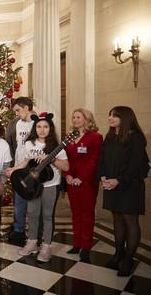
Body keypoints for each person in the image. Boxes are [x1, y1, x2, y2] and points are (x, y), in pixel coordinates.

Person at [9, 113, 69, 263]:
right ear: (35, 128)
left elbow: (66, 166)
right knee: (32, 213)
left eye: (46, 127)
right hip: (33, 185)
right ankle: (32, 242)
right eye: (39, 127)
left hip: (50, 185)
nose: (42, 130)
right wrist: (14, 169)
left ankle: (46, 246)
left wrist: (52, 159)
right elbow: (26, 161)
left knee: (47, 215)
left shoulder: (56, 146)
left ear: (50, 128)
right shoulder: (29, 144)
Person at [98, 106, 149, 276]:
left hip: (129, 185)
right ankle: (118, 254)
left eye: (115, 116)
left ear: (125, 118)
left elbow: (135, 165)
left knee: (130, 221)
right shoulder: (110, 136)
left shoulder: (136, 138)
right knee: (117, 219)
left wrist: (118, 180)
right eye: (110, 115)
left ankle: (128, 259)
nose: (110, 118)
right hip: (111, 184)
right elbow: (103, 159)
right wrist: (103, 176)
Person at [64, 109, 103, 261]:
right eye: (73, 117)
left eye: (78, 117)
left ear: (87, 119)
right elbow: (65, 158)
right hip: (71, 180)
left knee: (87, 214)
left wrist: (81, 177)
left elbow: (94, 160)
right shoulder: (69, 136)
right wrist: (67, 175)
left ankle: (86, 246)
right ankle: (77, 243)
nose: (75, 119)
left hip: (87, 181)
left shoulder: (96, 137)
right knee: (75, 213)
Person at [6, 97, 34, 243]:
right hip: (18, 165)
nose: (17, 113)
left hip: (33, 167)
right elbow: (12, 144)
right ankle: (18, 229)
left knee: (33, 201)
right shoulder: (16, 124)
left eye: (18, 110)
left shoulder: (38, 123)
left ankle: (35, 232)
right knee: (19, 200)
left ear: (26, 107)